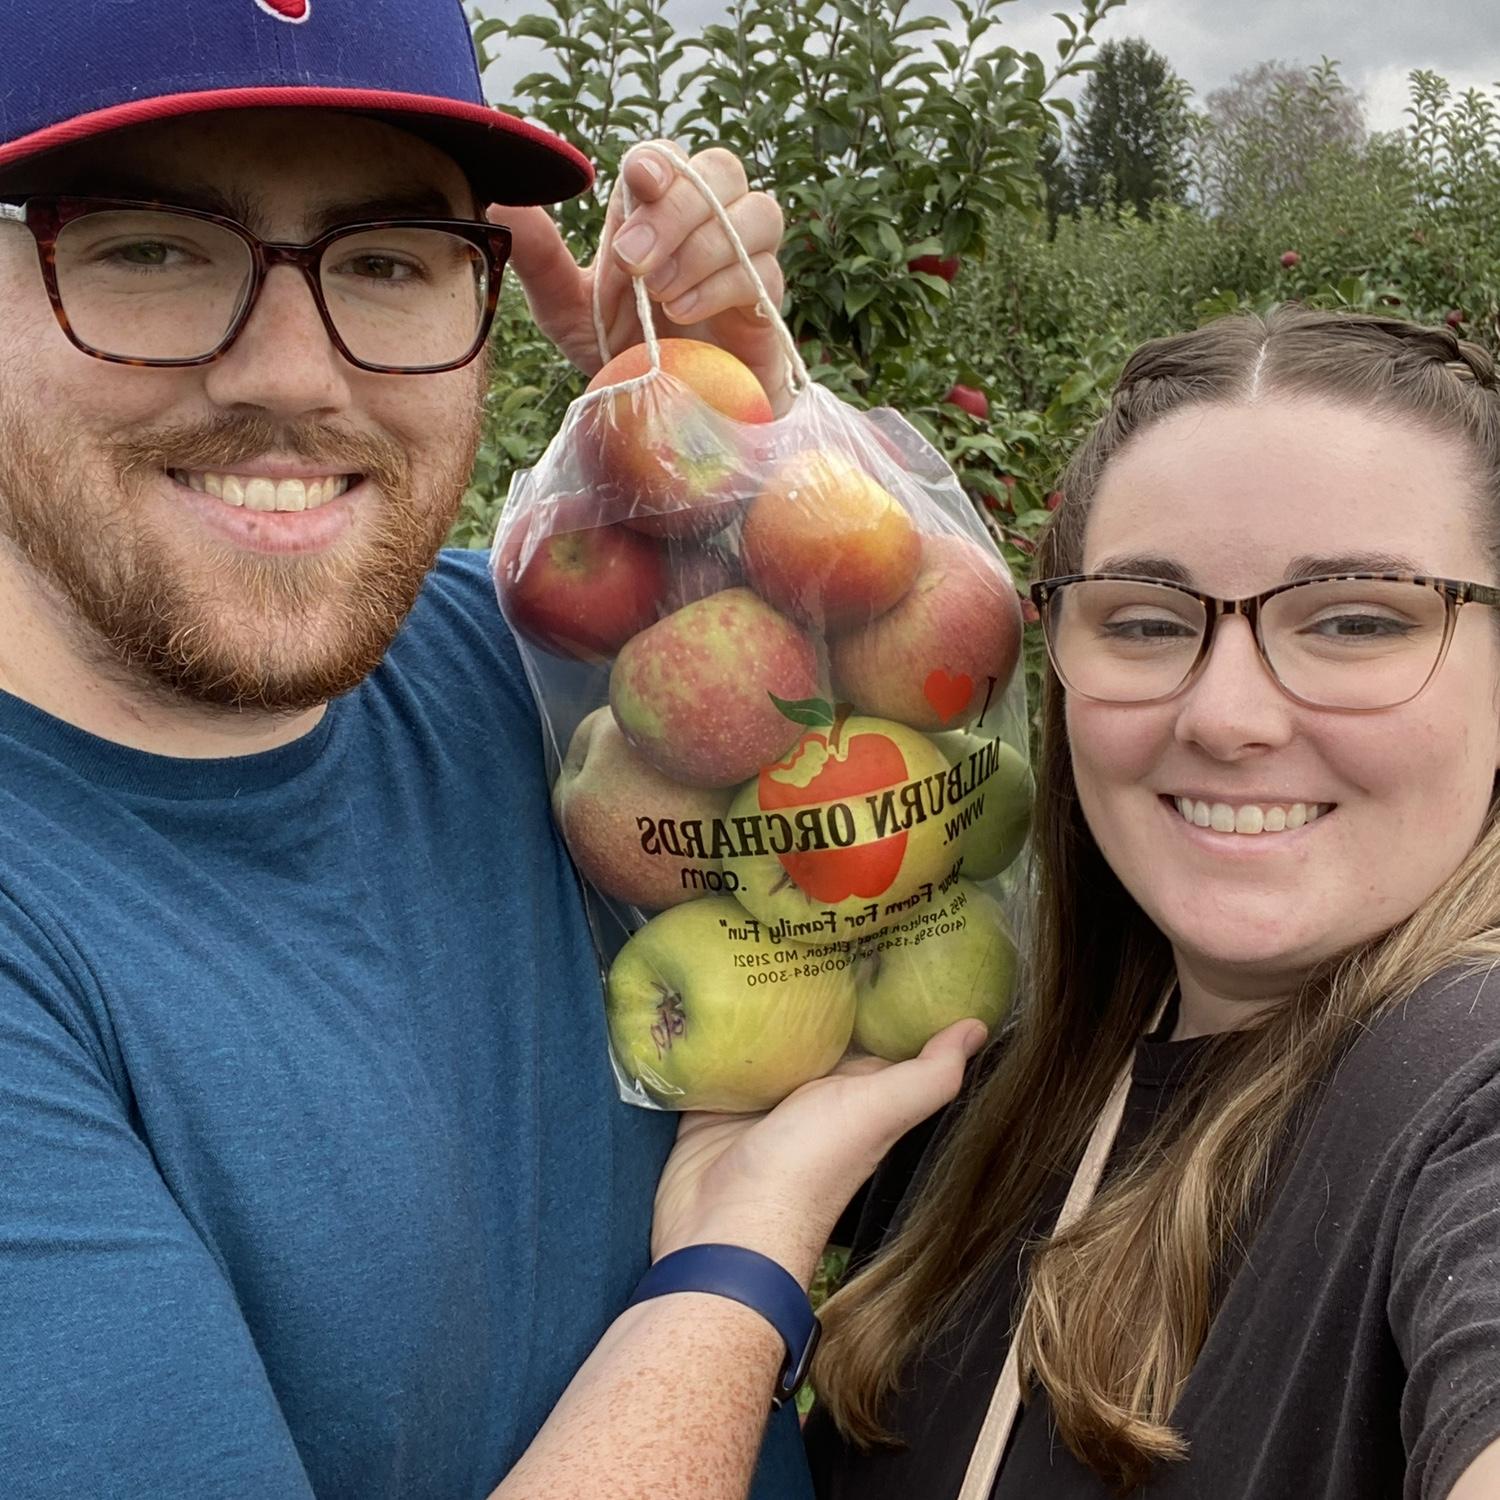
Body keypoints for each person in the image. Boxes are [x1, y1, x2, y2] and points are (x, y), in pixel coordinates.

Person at [0, 1, 867, 1495]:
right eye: (148, 247)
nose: (292, 373)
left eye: (389, 263)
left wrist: (718, 485)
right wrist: (740, 1270)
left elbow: (900, 858)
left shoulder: (506, 666)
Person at [797, 306, 1500, 1499]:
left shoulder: (1461, 1088)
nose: (1225, 717)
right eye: (1145, 622)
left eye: (1355, 620)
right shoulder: (993, 1086)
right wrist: (728, 447)